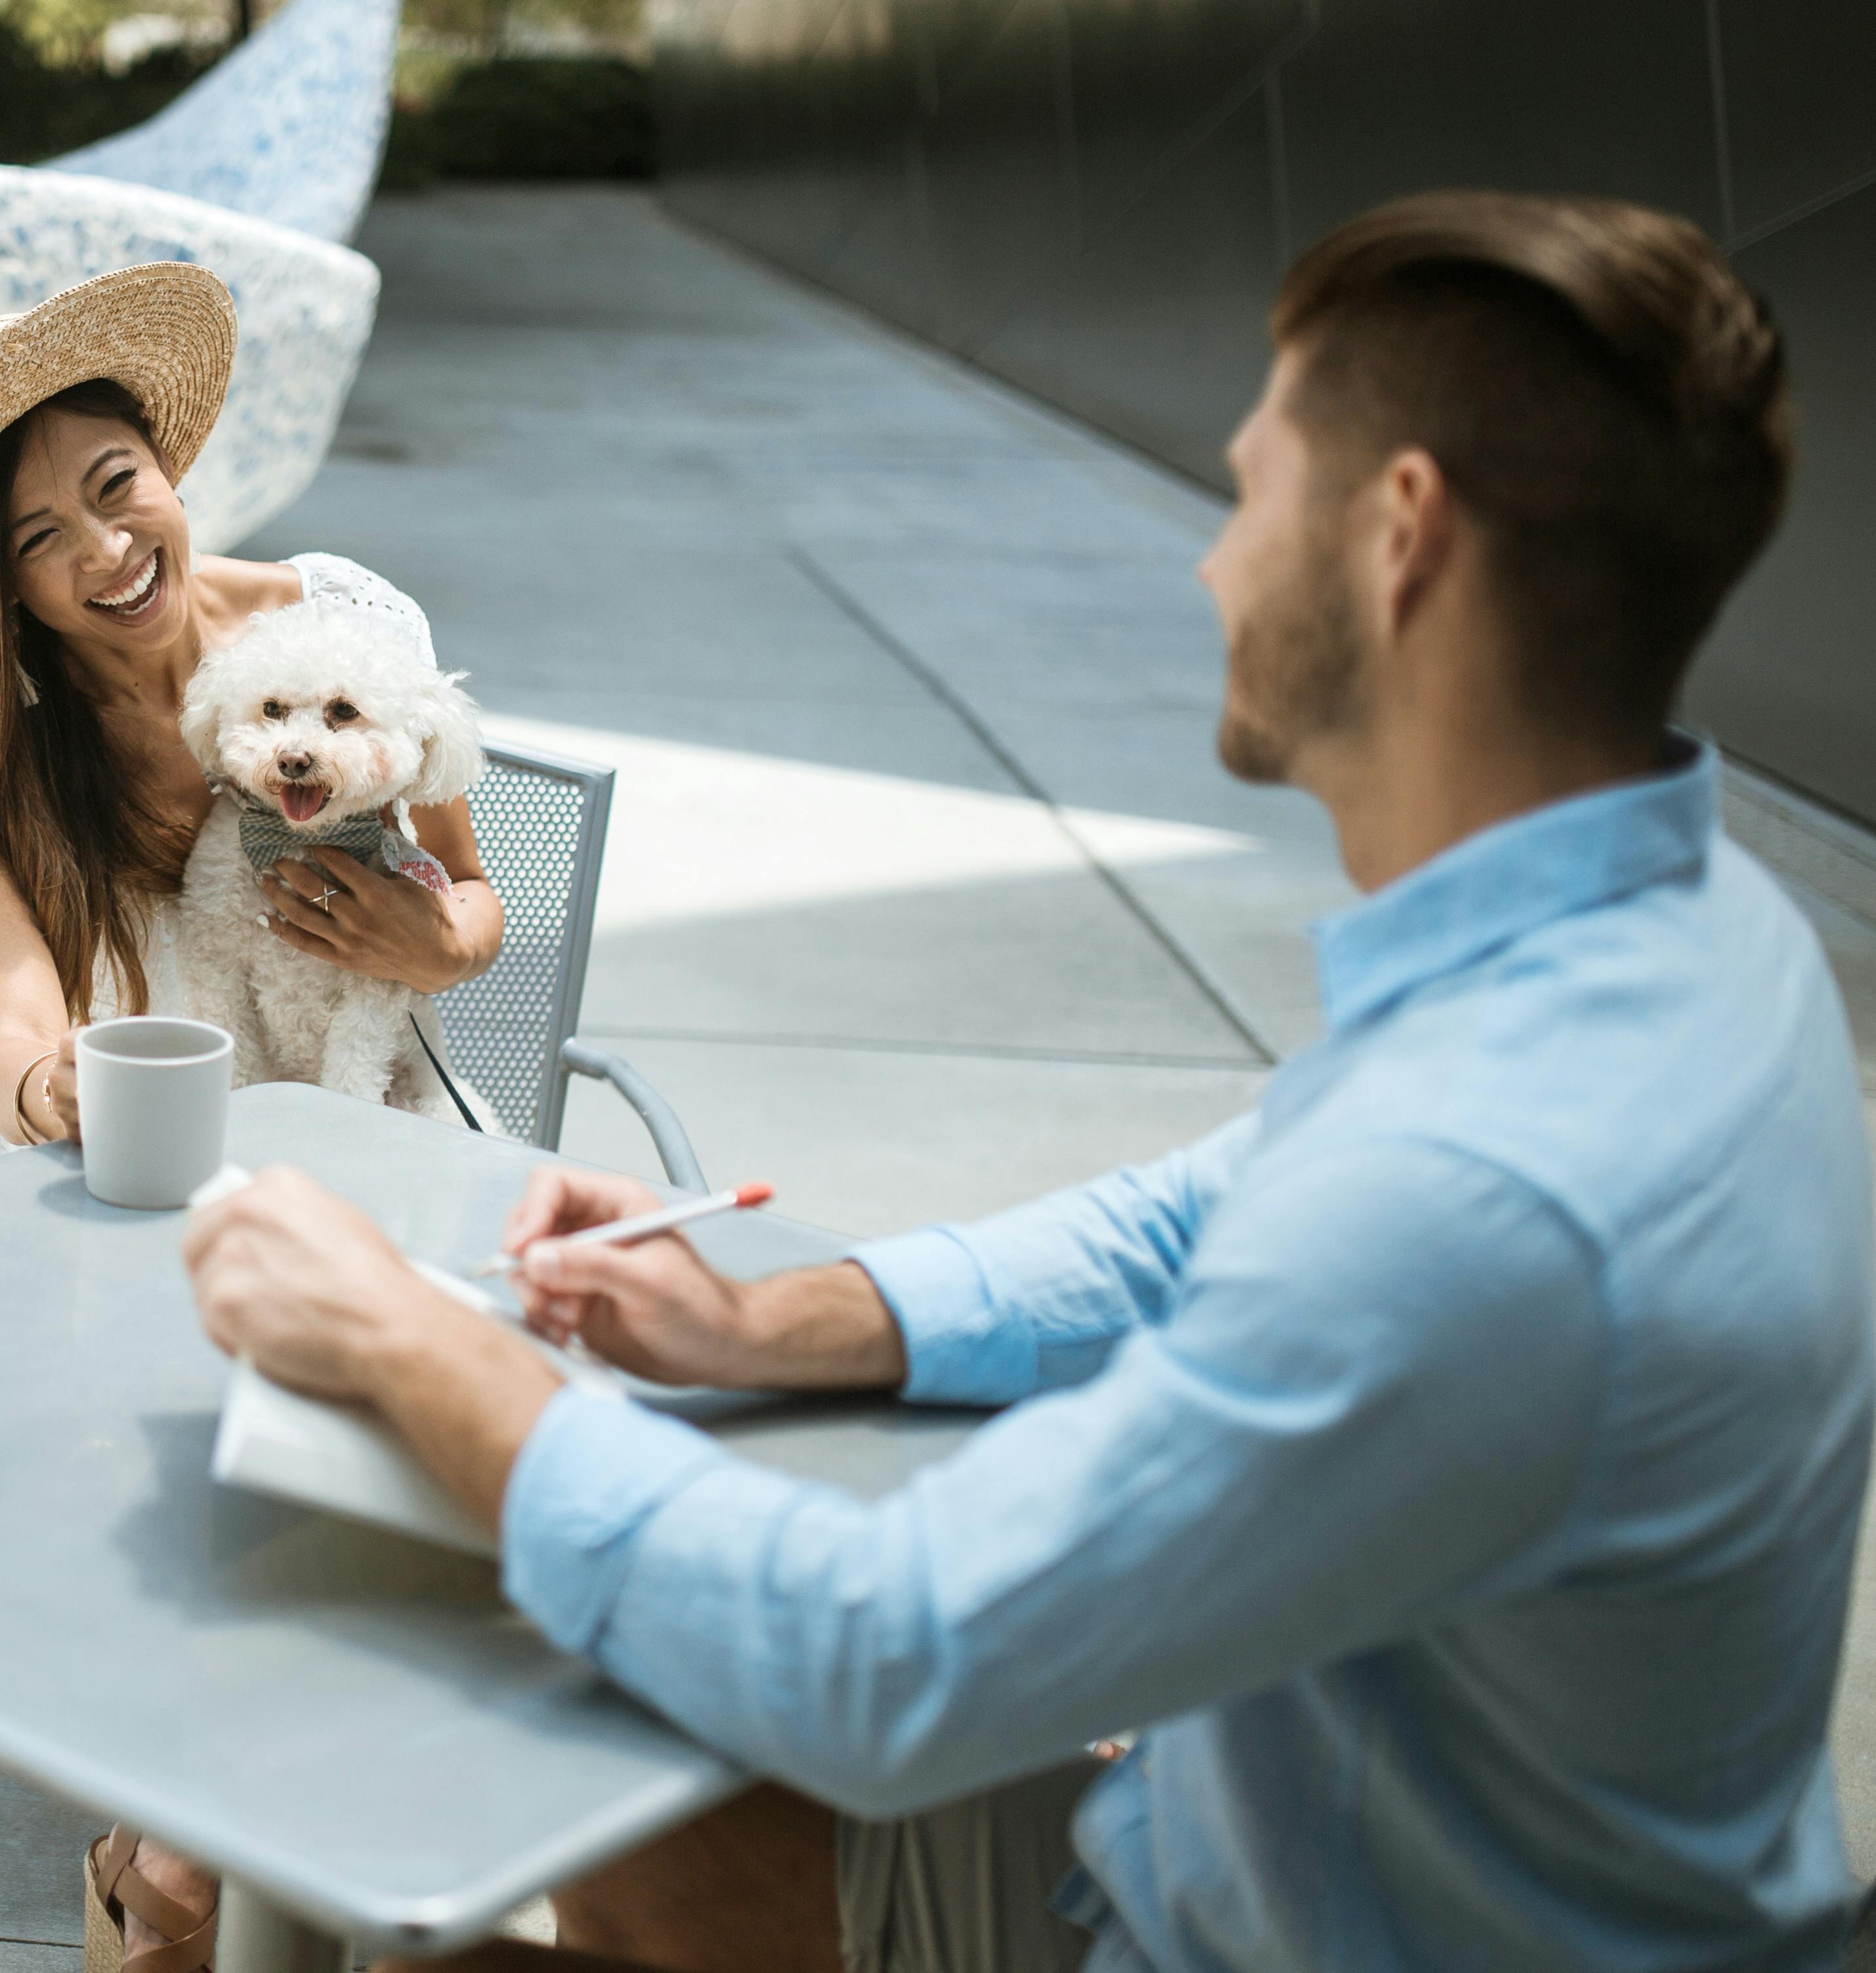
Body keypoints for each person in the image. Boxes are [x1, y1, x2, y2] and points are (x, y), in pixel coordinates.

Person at [177, 191, 1874, 1970]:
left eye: (1248, 492)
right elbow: (1205, 1214)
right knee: (613, 1790)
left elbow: (884, 1655)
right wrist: (780, 1323)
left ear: (1399, 537)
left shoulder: (1480, 1186)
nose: (1213, 561)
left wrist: (405, 1341)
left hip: (1266, 1927)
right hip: (1253, 1831)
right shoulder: (1682, 927)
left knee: (397, 1908)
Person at [0, 262, 506, 1163]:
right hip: (114, 1144)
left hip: (348, 1128)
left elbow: (466, 886)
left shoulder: (347, 630)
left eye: (115, 484)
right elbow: (8, 1033)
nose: (108, 551)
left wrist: (442, 945)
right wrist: (48, 1087)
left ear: (164, 461)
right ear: (6, 587)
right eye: (39, 537)